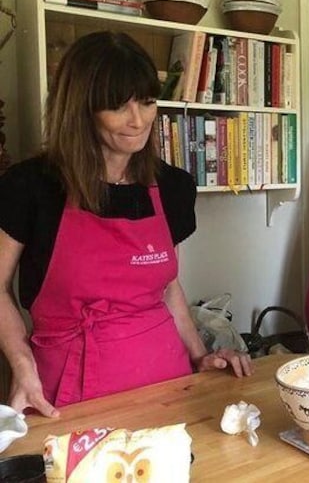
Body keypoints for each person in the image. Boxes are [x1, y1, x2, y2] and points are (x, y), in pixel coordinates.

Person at [0, 31, 253, 418]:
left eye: (147, 101)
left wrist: (200, 356)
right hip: (64, 392)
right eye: (118, 106)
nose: (138, 120)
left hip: (167, 384)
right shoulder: (32, 186)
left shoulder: (172, 187)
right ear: (81, 108)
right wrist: (21, 363)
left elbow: (167, 286)